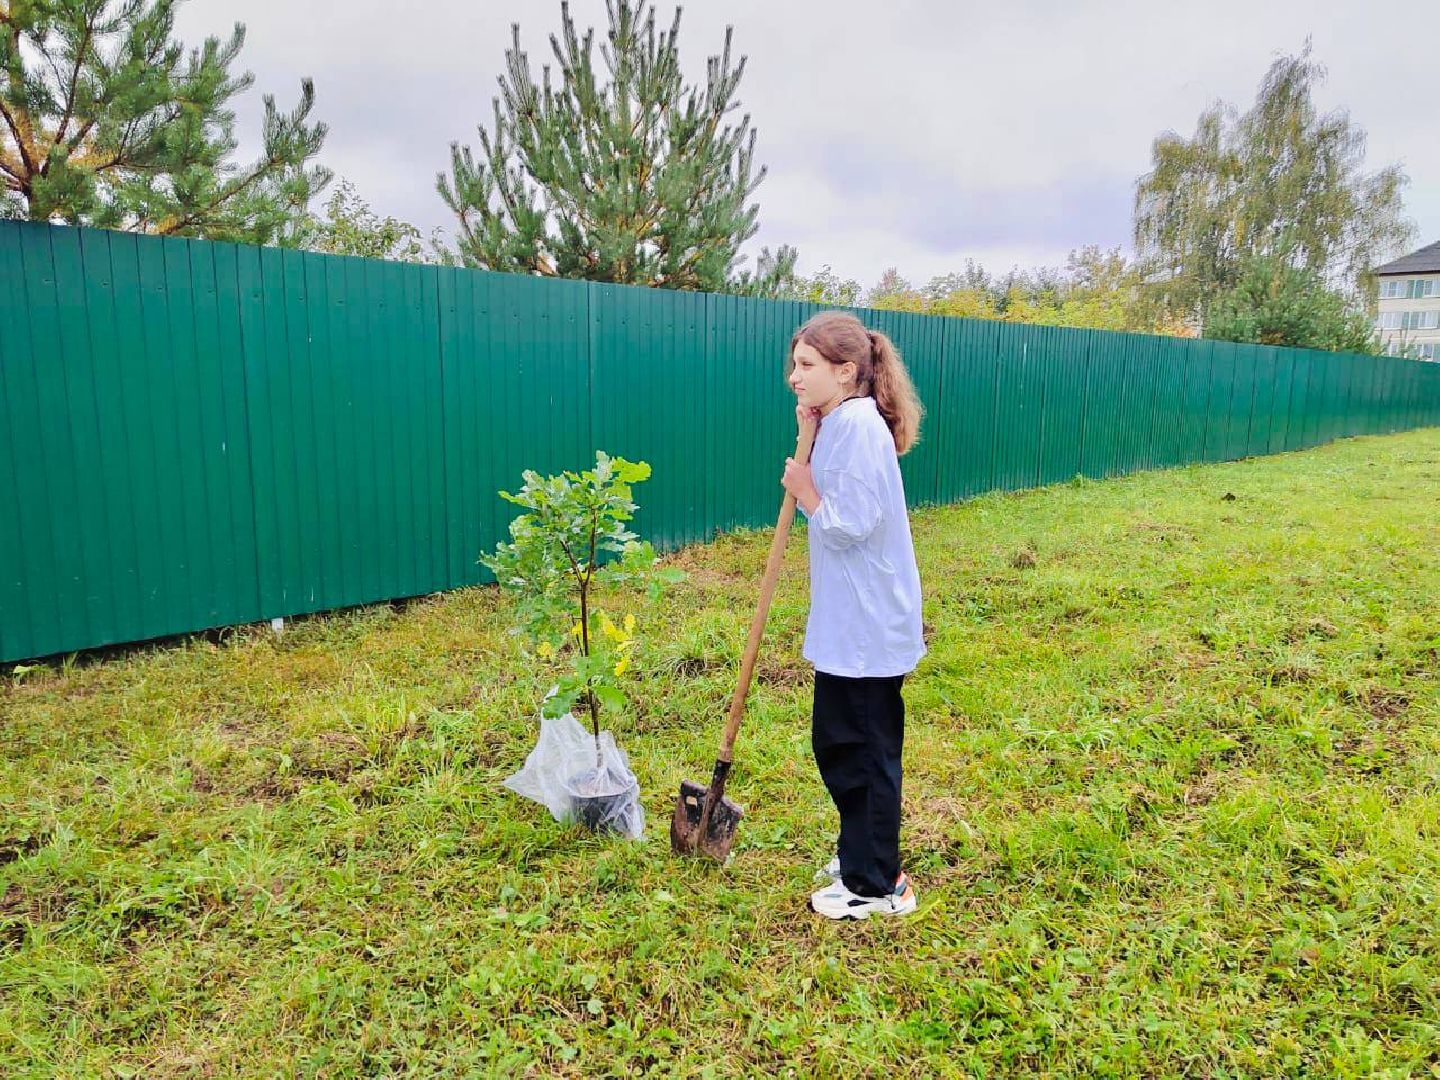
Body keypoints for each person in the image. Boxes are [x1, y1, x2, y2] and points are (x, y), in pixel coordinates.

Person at [780, 310, 926, 920]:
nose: (794, 376)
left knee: (863, 750)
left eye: (806, 365)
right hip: (849, 620)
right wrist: (807, 435)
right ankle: (860, 852)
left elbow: (852, 522)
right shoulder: (839, 421)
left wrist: (807, 492)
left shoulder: (861, 429)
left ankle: (876, 884)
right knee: (840, 742)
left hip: (869, 626)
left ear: (846, 373)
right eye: (795, 364)